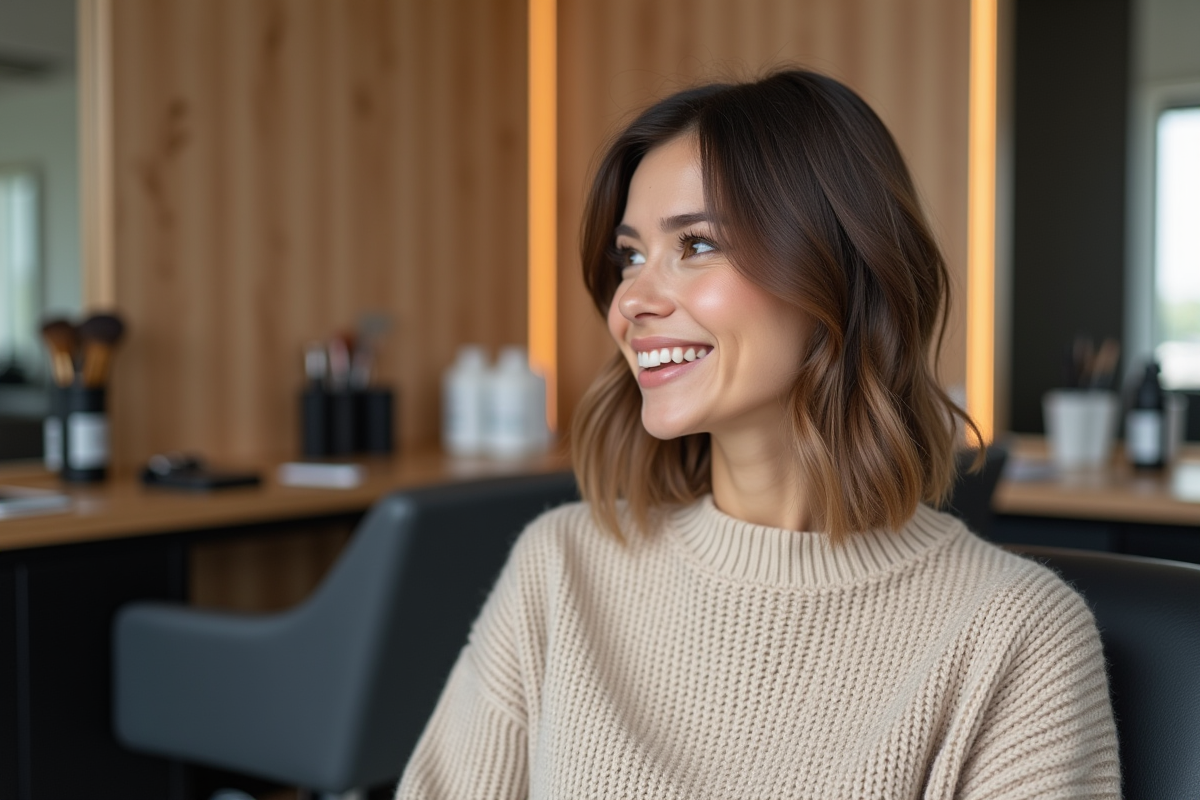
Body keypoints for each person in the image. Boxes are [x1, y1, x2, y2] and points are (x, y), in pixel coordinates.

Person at [396, 69, 1120, 798]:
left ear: (835, 272)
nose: (634, 301)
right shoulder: (559, 570)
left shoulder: (1017, 636)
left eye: (698, 245)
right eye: (631, 256)